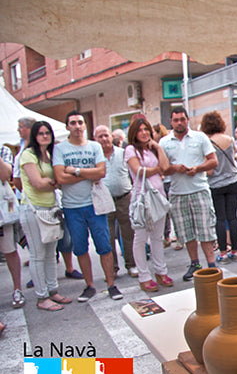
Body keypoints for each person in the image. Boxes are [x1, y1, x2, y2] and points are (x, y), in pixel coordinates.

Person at [52, 111, 122, 302]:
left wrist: (74, 171)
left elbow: (101, 172)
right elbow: (60, 177)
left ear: (85, 126)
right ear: (67, 126)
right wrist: (88, 173)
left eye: (80, 122)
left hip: (95, 205)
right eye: (73, 123)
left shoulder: (94, 147)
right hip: (72, 207)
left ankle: (110, 284)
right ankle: (89, 285)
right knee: (80, 248)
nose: (77, 126)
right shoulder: (60, 149)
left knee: (104, 246)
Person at [159, 106, 218, 281]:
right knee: (186, 232)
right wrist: (174, 168)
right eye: (176, 120)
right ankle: (195, 263)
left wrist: (197, 168)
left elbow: (213, 161)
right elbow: (162, 169)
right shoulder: (164, 142)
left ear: (187, 120)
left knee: (205, 229)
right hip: (177, 192)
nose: (179, 123)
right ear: (171, 122)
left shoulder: (200, 138)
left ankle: (212, 264)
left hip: (199, 189)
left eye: (182, 119)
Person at [19, 121, 71, 310]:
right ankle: (42, 297)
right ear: (34, 135)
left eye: (47, 133)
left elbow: (53, 179)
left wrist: (50, 181)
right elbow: (37, 183)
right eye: (40, 133)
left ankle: (52, 290)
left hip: (50, 208)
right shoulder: (28, 155)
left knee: (50, 254)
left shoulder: (49, 154)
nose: (45, 136)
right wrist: (52, 181)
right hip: (33, 209)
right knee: (37, 255)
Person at [125, 118, 174, 292]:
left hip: (158, 197)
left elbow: (166, 167)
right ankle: (144, 276)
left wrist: (159, 147)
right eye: (140, 130)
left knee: (157, 237)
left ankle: (161, 271)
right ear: (134, 133)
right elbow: (139, 171)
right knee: (140, 238)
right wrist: (158, 169)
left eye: (146, 129)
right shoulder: (131, 150)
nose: (144, 133)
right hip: (142, 198)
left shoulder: (153, 149)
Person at [94, 125, 138, 278]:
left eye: (106, 135)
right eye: (100, 136)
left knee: (128, 233)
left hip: (124, 198)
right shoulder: (95, 156)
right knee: (108, 235)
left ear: (111, 137)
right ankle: (112, 268)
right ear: (95, 139)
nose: (104, 139)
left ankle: (131, 265)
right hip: (104, 201)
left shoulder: (123, 153)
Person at [203, 111, 237, 265]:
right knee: (233, 217)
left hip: (216, 184)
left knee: (220, 218)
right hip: (233, 181)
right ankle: (235, 251)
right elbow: (235, 154)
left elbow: (210, 170)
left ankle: (223, 253)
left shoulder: (207, 142)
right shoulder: (230, 139)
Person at [0, 143, 24, 308]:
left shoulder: (3, 150)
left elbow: (5, 174)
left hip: (2, 212)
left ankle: (17, 289)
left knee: (9, 250)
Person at [152, 123, 175, 248]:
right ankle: (167, 235)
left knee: (169, 209)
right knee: (165, 210)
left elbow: (164, 167)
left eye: (153, 132)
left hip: (167, 181)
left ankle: (168, 236)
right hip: (163, 182)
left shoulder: (161, 144)